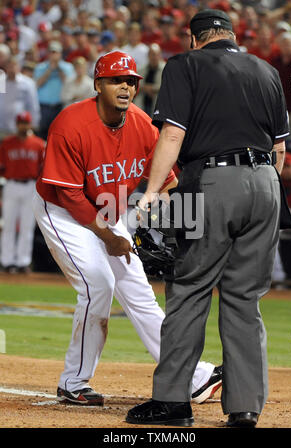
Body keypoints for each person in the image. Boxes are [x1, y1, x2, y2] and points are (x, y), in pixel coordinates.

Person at [126, 9, 289, 428]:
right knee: (244, 299)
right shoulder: (266, 70)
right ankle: (245, 408)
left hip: (213, 183)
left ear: (194, 38)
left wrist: (150, 193)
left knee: (189, 288)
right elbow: (280, 150)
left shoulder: (185, 64)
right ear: (232, 35)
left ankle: (172, 403)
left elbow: (174, 135)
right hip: (267, 185)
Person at [32, 51, 221, 406]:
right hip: (61, 210)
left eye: (131, 81)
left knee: (139, 294)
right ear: (97, 85)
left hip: (108, 209)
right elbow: (69, 194)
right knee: (98, 284)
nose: (125, 86)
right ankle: (74, 382)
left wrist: (178, 223)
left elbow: (165, 178)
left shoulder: (140, 123)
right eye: (116, 80)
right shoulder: (70, 124)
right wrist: (110, 237)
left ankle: (191, 377)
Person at [0, 112, 45, 273]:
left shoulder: (39, 144)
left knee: (27, 226)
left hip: (30, 186)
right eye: (20, 123)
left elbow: (43, 169)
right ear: (16, 124)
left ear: (30, 124)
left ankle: (22, 262)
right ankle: (7, 261)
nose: (22, 126)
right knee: (9, 225)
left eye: (25, 123)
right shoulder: (7, 143)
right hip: (11, 184)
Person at [34, 40, 75, 140]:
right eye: (51, 52)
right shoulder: (40, 67)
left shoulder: (68, 67)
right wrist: (49, 70)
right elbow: (37, 84)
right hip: (44, 107)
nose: (53, 55)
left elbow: (69, 84)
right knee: (42, 134)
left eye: (56, 52)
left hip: (60, 106)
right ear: (47, 53)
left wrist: (59, 69)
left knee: (59, 134)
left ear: (60, 54)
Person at [0, 56, 40, 140]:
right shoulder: (1, 81)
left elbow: (33, 105)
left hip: (21, 127)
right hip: (2, 126)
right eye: (9, 66)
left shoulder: (27, 83)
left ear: (18, 67)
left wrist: (34, 124)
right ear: (6, 67)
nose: (12, 69)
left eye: (14, 66)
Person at [134, 43, 166, 117]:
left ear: (160, 55)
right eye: (152, 54)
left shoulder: (165, 69)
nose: (154, 57)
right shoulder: (141, 69)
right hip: (142, 104)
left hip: (158, 106)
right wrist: (145, 88)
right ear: (148, 56)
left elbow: (167, 87)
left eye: (156, 54)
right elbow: (136, 85)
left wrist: (152, 88)